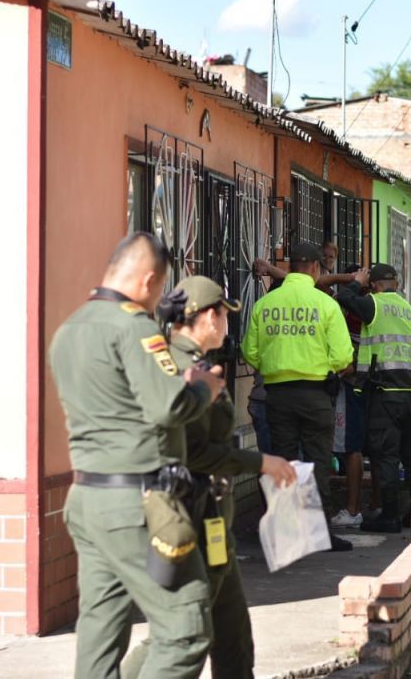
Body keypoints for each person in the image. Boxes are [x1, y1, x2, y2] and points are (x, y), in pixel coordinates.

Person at [48, 232, 226, 678]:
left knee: (100, 632)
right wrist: (203, 388)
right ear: (149, 280)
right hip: (136, 502)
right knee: (185, 627)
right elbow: (168, 405)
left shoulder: (69, 329)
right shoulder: (133, 327)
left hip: (87, 498)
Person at [145, 275, 297, 679]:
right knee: (181, 635)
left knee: (233, 638)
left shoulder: (196, 364)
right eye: (225, 315)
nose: (228, 324)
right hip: (188, 512)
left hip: (213, 516)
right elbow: (193, 452)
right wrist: (260, 463)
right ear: (208, 318)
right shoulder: (177, 366)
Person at [242, 242, 355, 551]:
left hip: (277, 394)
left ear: (290, 266)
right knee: (318, 461)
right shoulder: (326, 304)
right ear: (317, 268)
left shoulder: (266, 304)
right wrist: (324, 366)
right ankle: (319, 533)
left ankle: (286, 533)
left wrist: (275, 366)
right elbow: (344, 356)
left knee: (284, 460)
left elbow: (249, 352)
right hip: (316, 394)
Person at [336, 264, 411, 533]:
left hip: (386, 392)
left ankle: (389, 516)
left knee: (385, 454)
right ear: (397, 283)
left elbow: (344, 298)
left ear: (375, 285)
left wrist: (356, 281)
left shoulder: (375, 304)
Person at [331, 265, 370, 529]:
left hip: (350, 384)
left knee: (350, 448)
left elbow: (356, 355)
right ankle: (366, 506)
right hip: (367, 385)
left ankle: (353, 509)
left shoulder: (361, 309)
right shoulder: (370, 306)